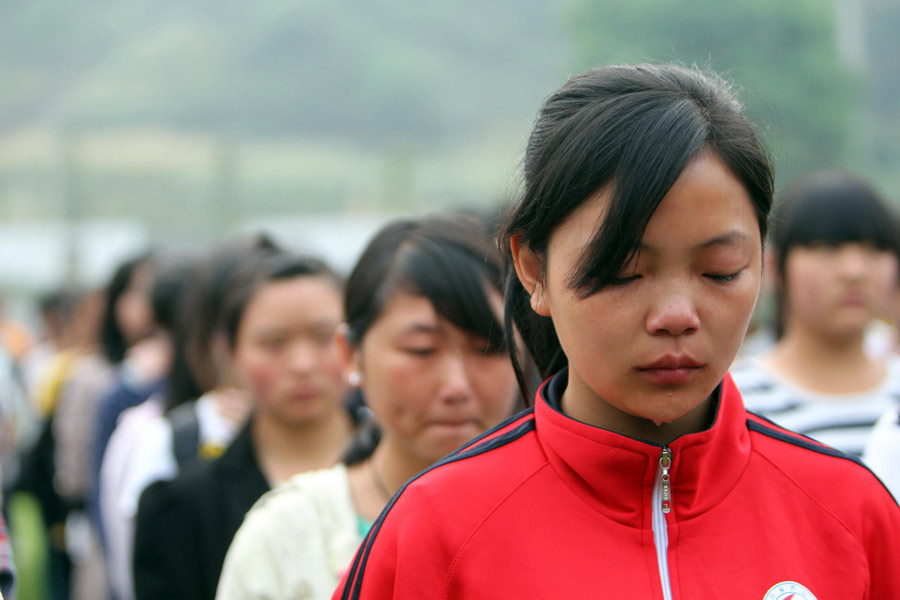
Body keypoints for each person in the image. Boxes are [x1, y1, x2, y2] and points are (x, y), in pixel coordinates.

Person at [333, 64, 900, 600]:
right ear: (533, 269)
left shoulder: (853, 513)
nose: (676, 315)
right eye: (624, 272)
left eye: (720, 271)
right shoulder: (434, 530)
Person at [215, 215, 519, 600]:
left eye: (488, 348)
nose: (456, 386)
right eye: (422, 350)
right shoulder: (286, 536)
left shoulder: (556, 512)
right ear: (351, 354)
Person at [133, 251, 353, 600]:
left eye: (324, 337)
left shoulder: (411, 477)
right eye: (274, 342)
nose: (302, 364)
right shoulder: (181, 512)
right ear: (229, 353)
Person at [731, 171, 900, 456]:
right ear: (774, 267)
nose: (855, 271)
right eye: (828, 248)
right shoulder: (736, 400)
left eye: (874, 249)